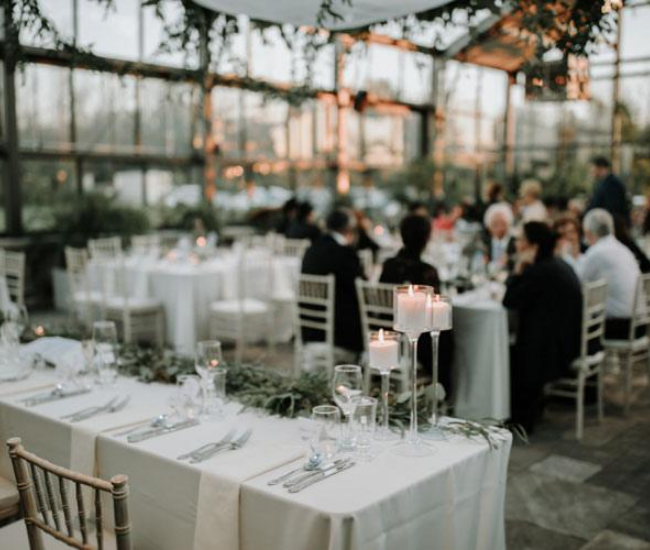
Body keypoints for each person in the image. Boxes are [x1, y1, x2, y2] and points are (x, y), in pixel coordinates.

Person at [503, 222, 583, 433]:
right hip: (569, 340)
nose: (517, 244)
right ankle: (533, 407)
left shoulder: (540, 271)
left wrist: (517, 269)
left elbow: (509, 300)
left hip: (553, 351)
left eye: (521, 240)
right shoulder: (557, 265)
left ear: (533, 246)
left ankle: (520, 419)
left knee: (505, 352)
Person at [380, 214, 453, 394]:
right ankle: (442, 392)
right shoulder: (427, 272)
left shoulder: (388, 265)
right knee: (447, 336)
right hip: (415, 341)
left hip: (387, 334)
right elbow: (435, 311)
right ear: (427, 238)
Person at [301, 209, 364, 354]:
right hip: (338, 333)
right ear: (348, 228)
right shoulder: (345, 252)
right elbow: (359, 290)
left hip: (309, 329)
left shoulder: (312, 249)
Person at [579, 209, 642, 339]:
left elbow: (577, 283)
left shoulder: (596, 252)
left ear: (587, 233)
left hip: (620, 325)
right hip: (639, 322)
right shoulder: (623, 249)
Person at [586, 156, 630, 225]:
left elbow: (612, 209)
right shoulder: (604, 183)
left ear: (600, 167)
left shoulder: (612, 184)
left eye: (592, 167)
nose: (591, 170)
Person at [482, 203, 517, 272]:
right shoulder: (485, 242)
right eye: (495, 224)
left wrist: (509, 261)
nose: (499, 228)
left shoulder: (515, 242)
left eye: (502, 224)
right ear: (489, 227)